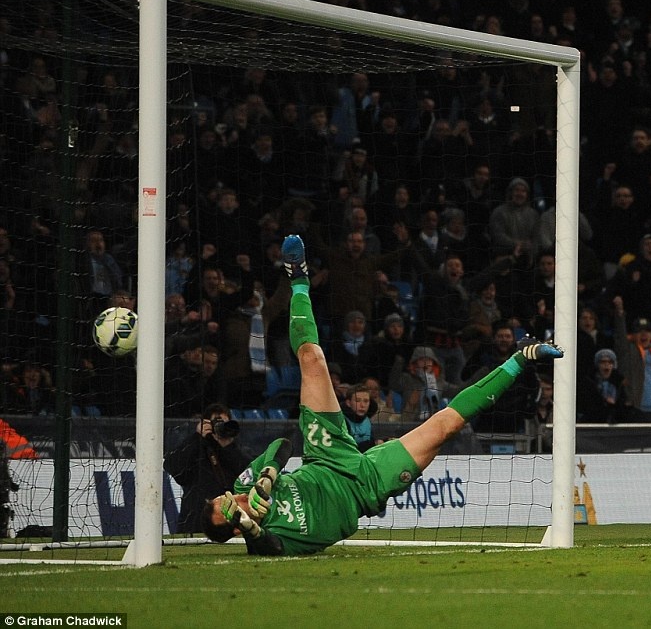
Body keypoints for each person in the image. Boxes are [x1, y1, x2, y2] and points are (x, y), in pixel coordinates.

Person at [202, 234, 564, 555]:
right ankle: (520, 359)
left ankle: (298, 280)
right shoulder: (270, 538)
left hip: (326, 456)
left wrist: (267, 476)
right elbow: (271, 547)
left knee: (312, 359)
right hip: (367, 483)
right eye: (231, 508)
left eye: (226, 497)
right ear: (236, 528)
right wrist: (253, 529)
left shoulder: (245, 485)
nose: (235, 498)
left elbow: (281, 446)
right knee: (445, 427)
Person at [164, 403, 251, 534]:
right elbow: (172, 467)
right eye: (216, 424)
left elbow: (249, 473)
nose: (220, 428)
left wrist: (227, 447)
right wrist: (197, 437)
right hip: (196, 522)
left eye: (224, 424)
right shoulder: (195, 450)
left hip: (231, 521)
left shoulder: (237, 450)